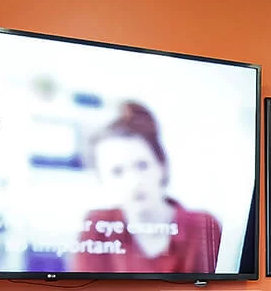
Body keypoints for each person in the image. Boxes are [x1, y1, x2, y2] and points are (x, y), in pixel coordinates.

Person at [73, 101, 223, 274]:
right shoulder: (97, 226)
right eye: (117, 172)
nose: (134, 182)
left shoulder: (203, 227)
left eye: (142, 166)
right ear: (102, 179)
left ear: (162, 165)